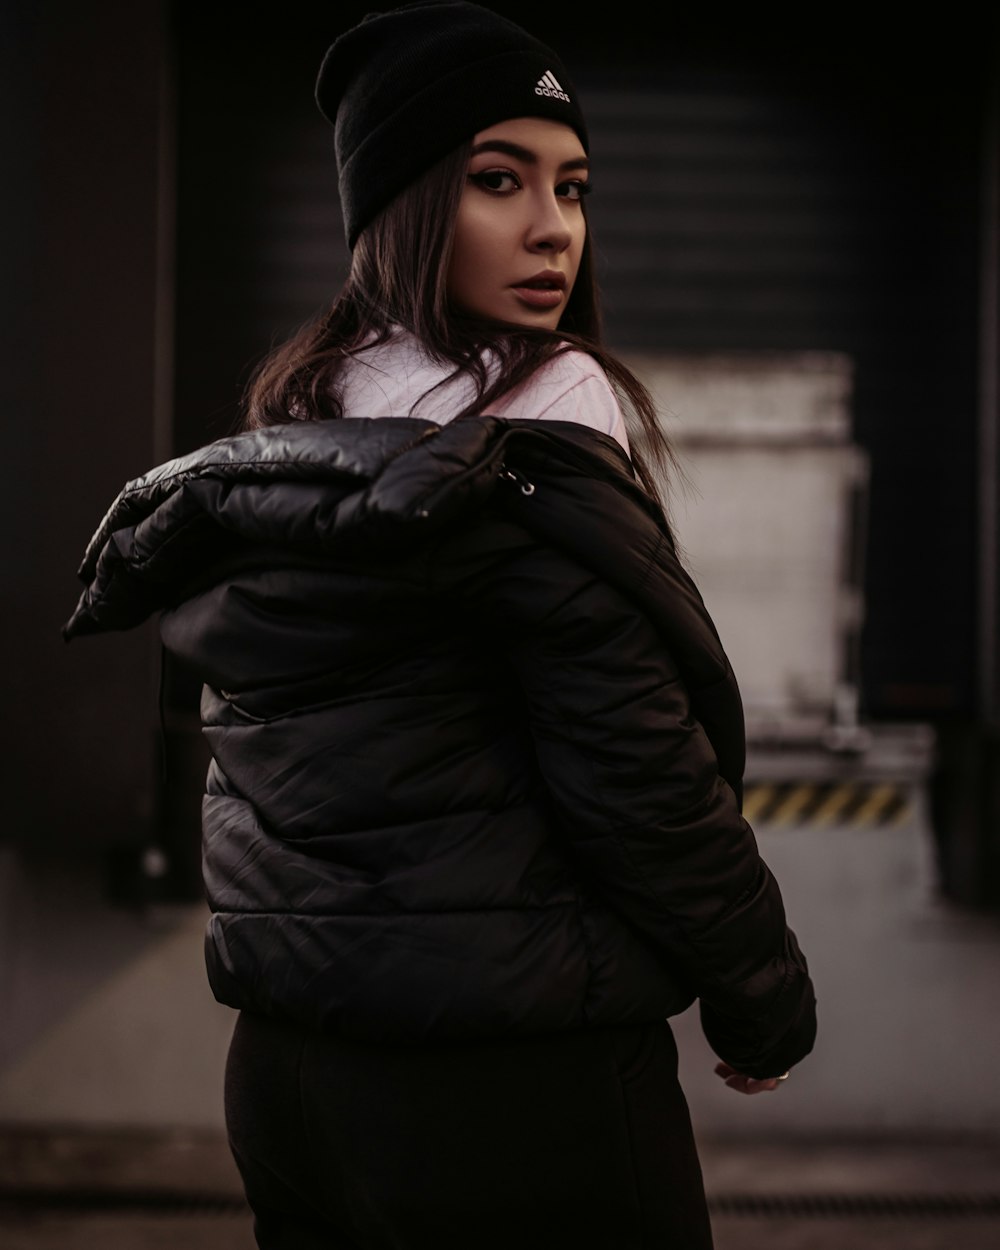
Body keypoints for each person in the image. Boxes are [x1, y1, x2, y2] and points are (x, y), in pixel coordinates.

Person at [64, 3, 817, 1246]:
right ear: (401, 203)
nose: (552, 227)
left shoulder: (283, 448)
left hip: (288, 1074)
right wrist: (762, 998)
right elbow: (639, 777)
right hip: (516, 1081)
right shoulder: (540, 429)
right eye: (495, 179)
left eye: (571, 186)